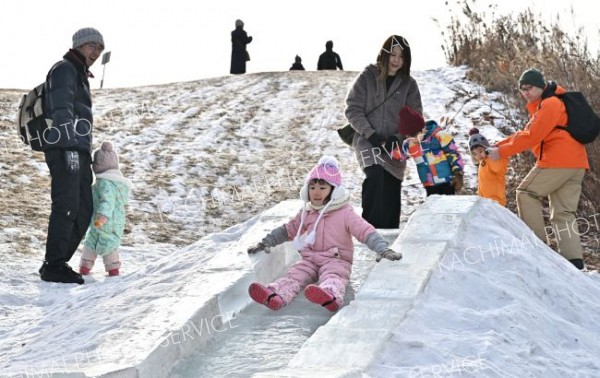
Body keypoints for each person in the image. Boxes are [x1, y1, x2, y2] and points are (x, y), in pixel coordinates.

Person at [246, 156, 402, 312]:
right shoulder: (308, 211)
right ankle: (276, 295)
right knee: (294, 275)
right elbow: (289, 229)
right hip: (310, 258)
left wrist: (382, 248)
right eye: (312, 187)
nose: (316, 192)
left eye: (322, 187)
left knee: (334, 276)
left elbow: (365, 231)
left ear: (334, 190)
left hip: (336, 259)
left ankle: (330, 295)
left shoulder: (345, 213)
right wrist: (266, 242)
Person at [487, 68, 589, 270]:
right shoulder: (546, 104)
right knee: (563, 213)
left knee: (526, 193)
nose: (526, 92)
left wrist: (502, 153)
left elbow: (532, 136)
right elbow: (525, 133)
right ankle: (574, 263)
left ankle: (538, 249)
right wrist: (499, 146)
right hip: (576, 163)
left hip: (558, 161)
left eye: (530, 87)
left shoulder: (550, 104)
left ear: (541, 86)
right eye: (522, 89)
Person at [38, 27, 105, 284]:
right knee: (66, 205)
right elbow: (61, 108)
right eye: (92, 46)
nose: (96, 52)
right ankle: (53, 264)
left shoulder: (78, 73)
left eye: (100, 48)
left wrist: (81, 150)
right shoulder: (65, 69)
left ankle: (57, 262)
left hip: (77, 149)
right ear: (78, 45)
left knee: (83, 207)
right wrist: (68, 149)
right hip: (65, 148)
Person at [344, 35, 422, 228]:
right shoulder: (368, 76)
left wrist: (397, 139)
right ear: (384, 54)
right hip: (367, 139)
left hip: (394, 147)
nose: (396, 60)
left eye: (401, 57)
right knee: (375, 175)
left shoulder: (409, 85)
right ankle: (368, 232)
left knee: (391, 190)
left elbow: (415, 119)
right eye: (392, 54)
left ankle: (388, 240)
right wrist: (371, 134)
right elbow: (352, 108)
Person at [79, 141, 132, 277]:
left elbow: (107, 201)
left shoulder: (105, 183)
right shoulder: (115, 183)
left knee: (99, 240)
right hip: (114, 221)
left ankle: (106, 268)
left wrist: (103, 215)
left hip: (105, 219)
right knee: (101, 240)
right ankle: (91, 267)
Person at [392, 106, 464, 196]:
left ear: (422, 128)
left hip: (447, 182)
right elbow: (399, 155)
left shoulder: (438, 135)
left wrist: (458, 173)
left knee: (448, 207)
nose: (414, 139)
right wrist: (388, 147)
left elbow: (453, 153)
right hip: (429, 184)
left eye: (416, 135)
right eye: (409, 136)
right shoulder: (410, 144)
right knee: (433, 208)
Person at [467, 127, 508, 206]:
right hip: (485, 201)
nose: (478, 155)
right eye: (475, 154)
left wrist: (493, 154)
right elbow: (482, 184)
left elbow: (499, 168)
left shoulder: (492, 159)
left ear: (486, 148)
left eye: (480, 151)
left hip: (496, 200)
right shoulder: (482, 164)